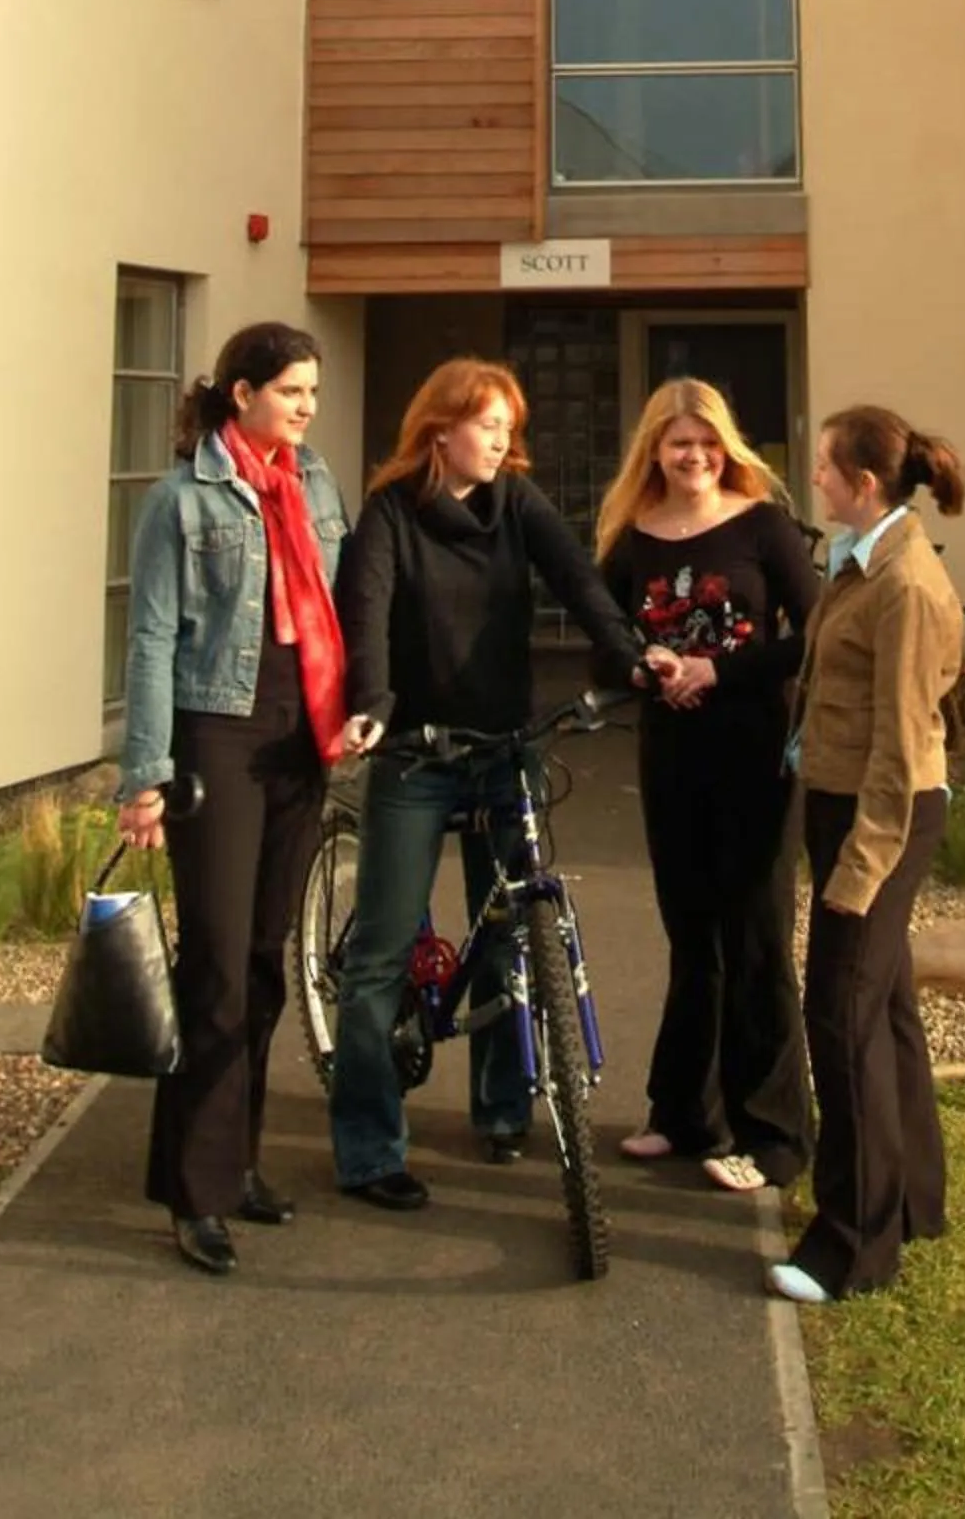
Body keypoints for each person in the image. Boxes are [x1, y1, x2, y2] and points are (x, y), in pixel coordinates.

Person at [328, 357, 662, 1208]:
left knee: (509, 932)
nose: (505, 440)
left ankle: (502, 1106)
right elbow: (363, 616)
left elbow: (578, 582)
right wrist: (369, 704)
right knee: (379, 957)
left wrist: (628, 656)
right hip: (416, 754)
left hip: (505, 747)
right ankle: (369, 1150)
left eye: (510, 427)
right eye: (489, 425)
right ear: (440, 429)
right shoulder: (390, 516)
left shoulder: (517, 504)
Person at [117, 322, 366, 1276]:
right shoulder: (181, 502)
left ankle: (240, 1161)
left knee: (267, 961)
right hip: (214, 730)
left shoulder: (315, 485)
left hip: (300, 735)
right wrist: (144, 774)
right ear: (242, 395)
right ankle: (193, 1189)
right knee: (215, 967)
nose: (307, 407)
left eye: (313, 392)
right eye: (292, 391)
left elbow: (342, 608)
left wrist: (360, 709)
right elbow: (147, 641)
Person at [594, 377, 820, 1193]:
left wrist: (716, 670)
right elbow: (604, 640)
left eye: (708, 443)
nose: (695, 457)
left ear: (727, 447)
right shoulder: (632, 539)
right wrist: (648, 665)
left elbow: (814, 633)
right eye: (679, 443)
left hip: (757, 752)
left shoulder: (763, 526)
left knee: (756, 935)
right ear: (653, 450)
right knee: (692, 935)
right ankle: (685, 1113)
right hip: (671, 754)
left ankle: (776, 1136)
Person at [768, 403, 965, 1306]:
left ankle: (852, 1245)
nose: (815, 477)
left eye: (824, 468)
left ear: (866, 484)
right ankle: (915, 1200)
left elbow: (901, 745)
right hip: (847, 802)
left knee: (840, 1018)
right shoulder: (862, 561)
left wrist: (860, 868)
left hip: (881, 817)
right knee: (884, 1009)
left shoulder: (906, 585)